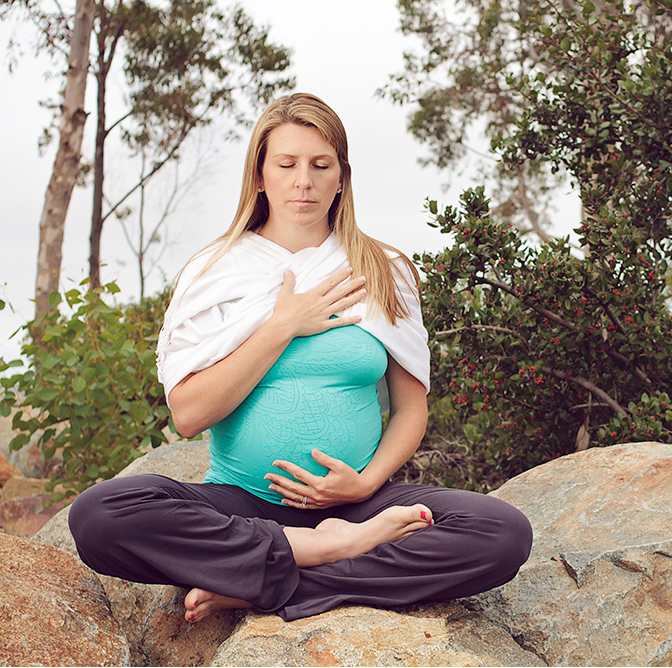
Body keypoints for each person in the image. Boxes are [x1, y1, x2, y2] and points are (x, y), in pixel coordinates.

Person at [69, 93, 532, 623]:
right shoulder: (214, 271)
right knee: (98, 516)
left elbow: (410, 408)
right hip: (240, 503)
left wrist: (364, 483)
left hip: (359, 504)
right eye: (286, 164)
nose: (303, 182)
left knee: (502, 533)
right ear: (260, 176)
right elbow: (190, 414)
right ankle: (320, 552)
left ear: (342, 176)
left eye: (320, 165)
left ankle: (263, 580)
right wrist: (283, 324)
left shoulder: (383, 269)